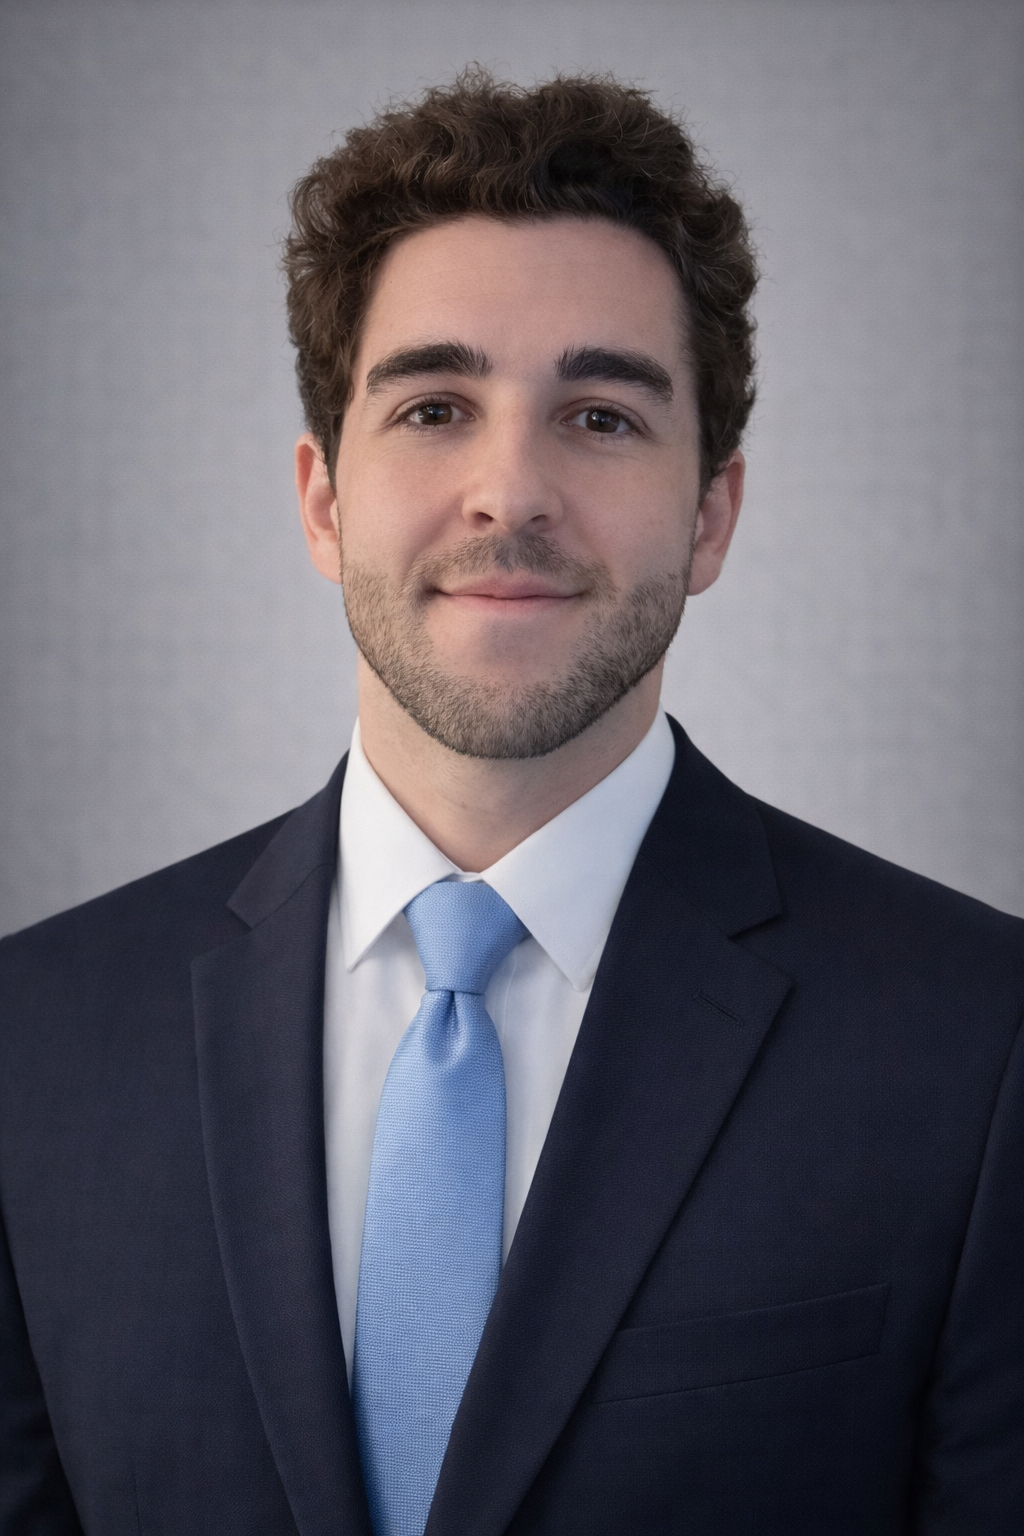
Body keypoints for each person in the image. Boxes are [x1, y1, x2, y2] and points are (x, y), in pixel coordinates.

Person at [1, 69, 1021, 1536]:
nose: (509, 490)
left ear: (712, 512)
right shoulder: (33, 1043)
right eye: (432, 405)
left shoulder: (979, 1045)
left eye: (600, 417)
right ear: (323, 500)